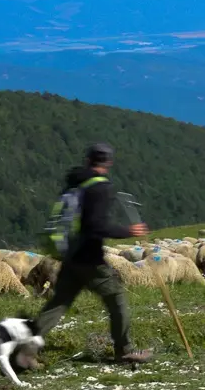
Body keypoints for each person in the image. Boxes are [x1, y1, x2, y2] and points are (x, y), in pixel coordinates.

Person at [34, 142, 154, 364]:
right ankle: (124, 350)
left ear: (88, 160)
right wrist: (128, 231)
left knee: (58, 303)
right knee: (116, 299)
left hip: (70, 255)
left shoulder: (75, 185)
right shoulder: (99, 187)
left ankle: (25, 347)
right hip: (90, 258)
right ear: (107, 163)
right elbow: (96, 226)